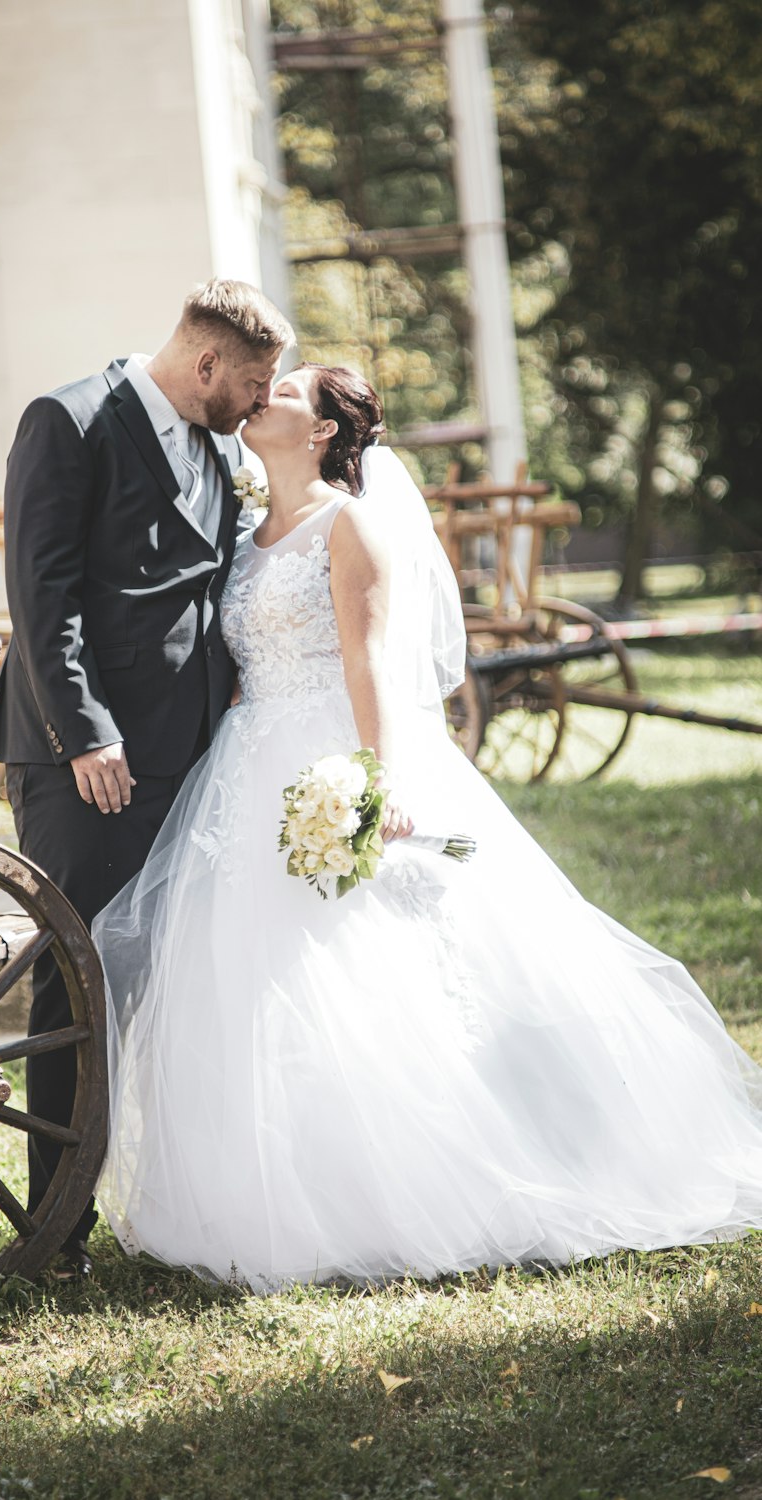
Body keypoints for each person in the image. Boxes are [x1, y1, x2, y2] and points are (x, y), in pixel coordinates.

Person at [92, 362, 762, 1293]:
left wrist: (377, 783)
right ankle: (267, 1187)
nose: (260, 398)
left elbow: (370, 668)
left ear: (323, 430)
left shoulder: (350, 524)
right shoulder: (247, 534)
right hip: (247, 769)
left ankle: (446, 1173)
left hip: (337, 752)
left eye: (283, 392)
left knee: (371, 965)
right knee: (245, 970)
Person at [0, 280, 294, 1274]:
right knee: (82, 990)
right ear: (205, 364)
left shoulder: (207, 445)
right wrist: (85, 733)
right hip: (91, 766)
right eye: (249, 385)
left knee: (168, 985)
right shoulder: (68, 422)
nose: (255, 406)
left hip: (193, 761)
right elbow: (43, 595)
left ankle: (158, 1205)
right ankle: (52, 1234)